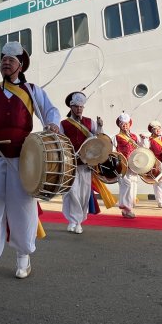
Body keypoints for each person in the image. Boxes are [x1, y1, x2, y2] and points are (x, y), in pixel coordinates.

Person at [0, 41, 60, 280]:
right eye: (3, 59)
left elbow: (50, 111)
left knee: (22, 207)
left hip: (24, 158)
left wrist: (52, 124)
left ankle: (23, 257)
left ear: (20, 65)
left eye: (11, 60)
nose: (5, 62)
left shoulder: (32, 90)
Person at [60, 91, 103, 234]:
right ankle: (74, 220)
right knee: (71, 192)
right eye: (77, 107)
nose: (79, 109)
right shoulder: (64, 124)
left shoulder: (90, 122)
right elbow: (60, 142)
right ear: (71, 107)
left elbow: (97, 140)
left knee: (84, 194)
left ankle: (77, 221)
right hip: (70, 164)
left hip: (86, 164)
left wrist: (100, 127)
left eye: (81, 107)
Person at [114, 113, 144, 219]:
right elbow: (113, 151)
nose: (125, 126)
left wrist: (143, 139)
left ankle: (126, 208)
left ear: (129, 124)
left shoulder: (134, 136)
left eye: (126, 124)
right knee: (126, 185)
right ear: (119, 125)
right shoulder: (117, 137)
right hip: (123, 165)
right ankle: (127, 208)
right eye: (122, 124)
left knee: (133, 186)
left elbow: (142, 147)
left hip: (134, 165)